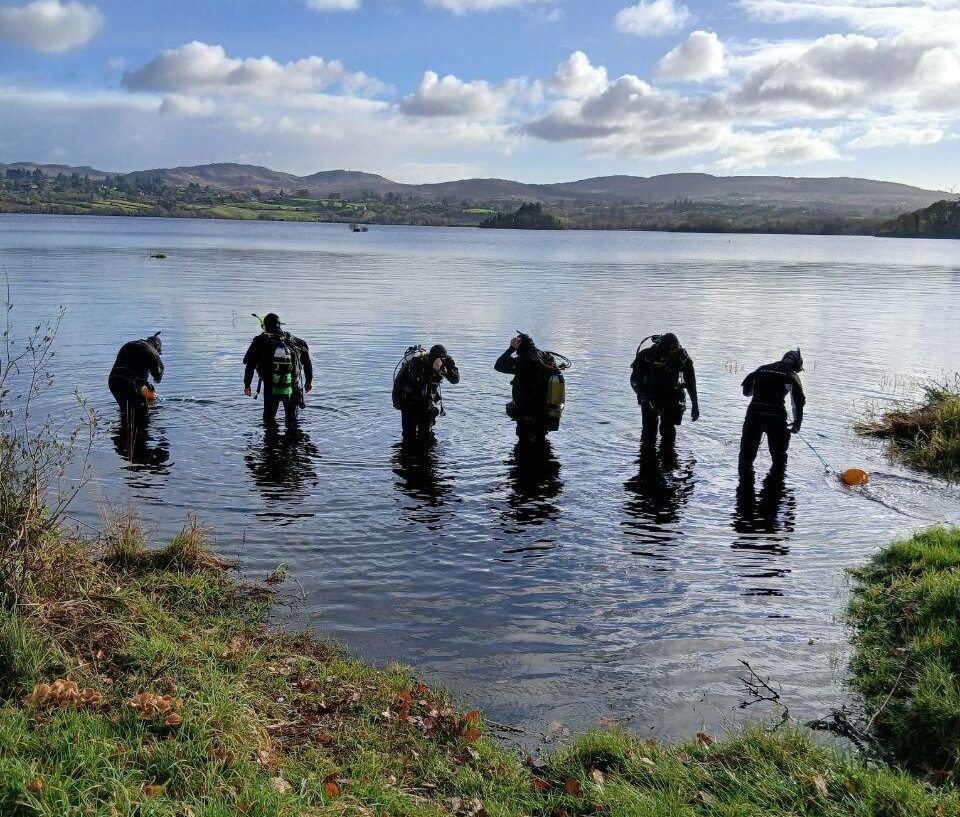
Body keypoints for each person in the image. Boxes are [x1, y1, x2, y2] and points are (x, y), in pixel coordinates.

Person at [738, 349, 806, 479]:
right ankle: (775, 490)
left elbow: (746, 393)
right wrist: (797, 423)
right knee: (779, 458)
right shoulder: (791, 375)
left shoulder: (761, 370)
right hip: (776, 418)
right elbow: (797, 403)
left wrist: (762, 390)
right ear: (796, 366)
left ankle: (744, 489)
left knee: (746, 456)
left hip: (754, 415)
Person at [243, 313, 313, 428]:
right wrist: (308, 381)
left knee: (269, 419)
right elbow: (307, 362)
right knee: (292, 420)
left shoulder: (260, 341)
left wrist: (247, 384)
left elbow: (250, 364)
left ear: (265, 326)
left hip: (271, 386)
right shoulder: (295, 341)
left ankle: (271, 442)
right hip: (292, 385)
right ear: (279, 325)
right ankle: (293, 441)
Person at [630, 333, 699, 448]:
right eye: (672, 350)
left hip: (671, 396)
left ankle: (669, 459)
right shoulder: (647, 356)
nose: (674, 352)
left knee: (668, 431)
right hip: (649, 394)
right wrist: (644, 397)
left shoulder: (683, 358)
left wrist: (695, 405)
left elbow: (691, 383)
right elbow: (634, 380)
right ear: (663, 349)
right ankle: (647, 460)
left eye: (676, 349)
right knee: (649, 431)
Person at [494, 332, 560, 441]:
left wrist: (511, 349)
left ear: (519, 345)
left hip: (527, 411)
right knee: (542, 440)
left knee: (523, 445)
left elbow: (499, 365)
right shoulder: (547, 357)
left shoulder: (524, 360)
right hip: (546, 410)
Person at [392, 344, 460, 442]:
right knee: (408, 434)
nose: (439, 362)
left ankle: (426, 452)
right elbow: (420, 387)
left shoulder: (445, 361)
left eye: (441, 359)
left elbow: (455, 379)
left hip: (424, 398)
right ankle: (408, 454)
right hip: (407, 399)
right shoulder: (417, 364)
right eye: (436, 360)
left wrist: (442, 371)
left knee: (425, 434)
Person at [108, 332, 163, 428]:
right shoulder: (152, 352)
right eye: (159, 351)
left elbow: (129, 369)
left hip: (113, 382)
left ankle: (124, 437)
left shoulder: (129, 344)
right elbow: (158, 377)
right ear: (157, 346)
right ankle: (137, 438)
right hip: (129, 384)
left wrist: (145, 382)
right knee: (142, 416)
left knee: (126, 412)